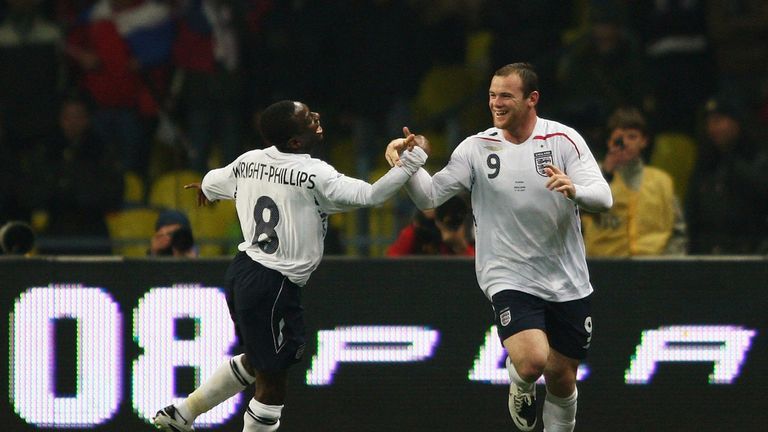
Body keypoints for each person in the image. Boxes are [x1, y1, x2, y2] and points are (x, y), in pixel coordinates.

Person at [151, 100, 427, 432]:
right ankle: (185, 415)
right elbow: (372, 195)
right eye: (308, 119)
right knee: (272, 382)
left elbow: (212, 181)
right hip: (274, 283)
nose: (317, 118)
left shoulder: (249, 160)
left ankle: (182, 413)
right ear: (295, 142)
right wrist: (413, 160)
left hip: (244, 272)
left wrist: (206, 190)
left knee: (258, 359)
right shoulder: (314, 174)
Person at [386, 63, 612, 432]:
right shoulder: (476, 147)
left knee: (562, 378)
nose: (496, 103)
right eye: (492, 95)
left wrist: (576, 190)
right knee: (532, 361)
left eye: (506, 95)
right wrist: (407, 166)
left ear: (531, 99)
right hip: (506, 273)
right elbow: (429, 196)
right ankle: (520, 380)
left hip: (566, 276)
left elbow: (604, 197)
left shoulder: (562, 140)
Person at [581, 107, 686, 256]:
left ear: (644, 141)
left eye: (632, 137)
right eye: (619, 138)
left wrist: (669, 266)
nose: (626, 143)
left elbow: (678, 231)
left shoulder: (662, 181)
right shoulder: (591, 175)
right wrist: (606, 173)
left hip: (653, 267)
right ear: (609, 141)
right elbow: (574, 214)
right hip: (602, 266)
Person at [685, 95, 768, 254]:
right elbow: (692, 212)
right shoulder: (706, 164)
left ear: (737, 123)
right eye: (709, 122)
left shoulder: (758, 161)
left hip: (749, 254)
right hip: (709, 254)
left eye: (718, 120)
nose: (712, 128)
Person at [386, 195, 475, 256]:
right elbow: (392, 262)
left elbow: (475, 269)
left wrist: (460, 246)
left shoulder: (461, 228)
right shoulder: (417, 231)